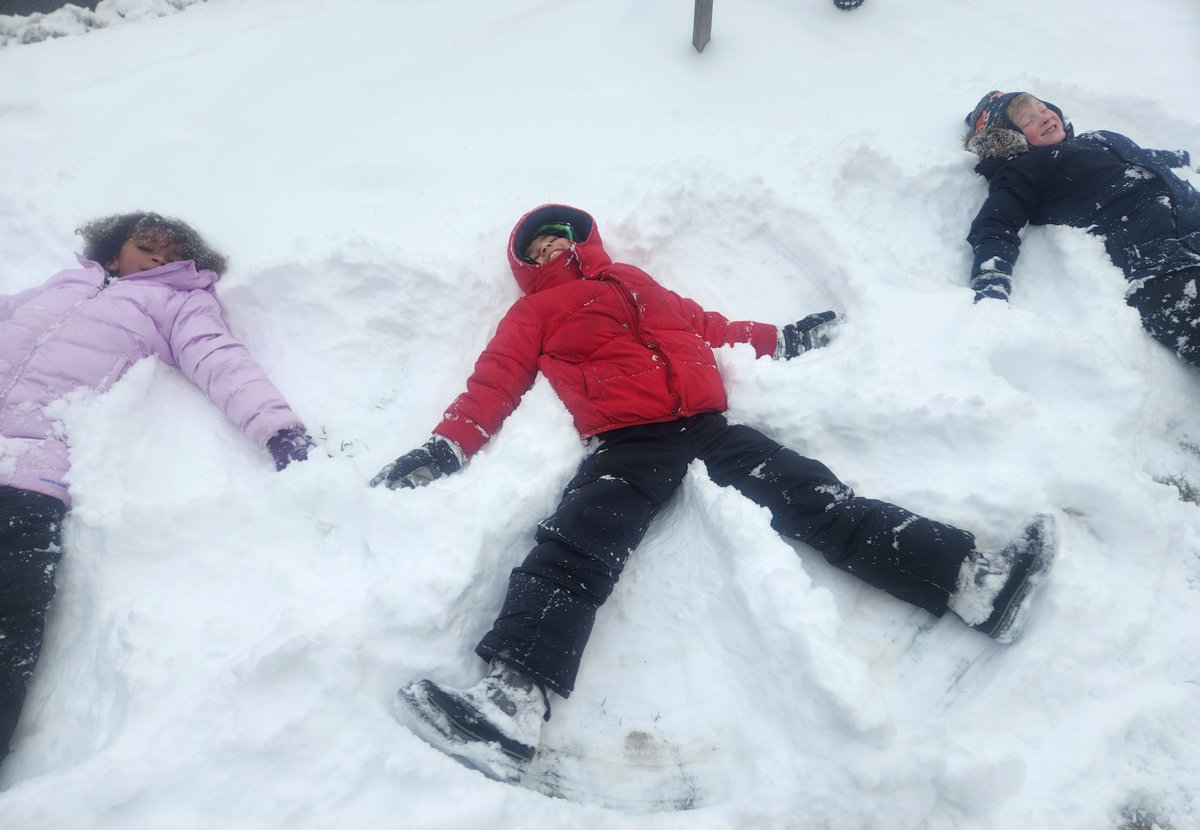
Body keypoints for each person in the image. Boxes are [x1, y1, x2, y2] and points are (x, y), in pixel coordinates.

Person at [375, 203, 1056, 784]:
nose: (555, 247)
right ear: (528, 264)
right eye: (539, 245)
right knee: (578, 544)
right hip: (629, 443)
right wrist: (445, 447)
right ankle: (509, 699)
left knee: (818, 498)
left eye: (562, 235)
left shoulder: (635, 279)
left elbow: (704, 327)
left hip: (708, 427)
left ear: (585, 238)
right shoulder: (536, 313)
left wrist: (781, 338)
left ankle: (974, 582)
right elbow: (492, 384)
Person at [0, 211, 312, 766]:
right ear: (114, 250)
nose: (157, 260)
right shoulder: (60, 283)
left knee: (10, 616)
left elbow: (221, 360)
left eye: (172, 257)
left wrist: (278, 430)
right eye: (146, 247)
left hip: (32, 476)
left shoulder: (178, 303)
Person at [964, 90, 1200, 364]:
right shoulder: (1024, 168)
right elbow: (997, 222)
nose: (1043, 118)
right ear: (1011, 138)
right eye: (1028, 121)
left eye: (1043, 109)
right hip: (1162, 264)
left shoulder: (1099, 137)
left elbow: (1150, 158)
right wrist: (990, 279)